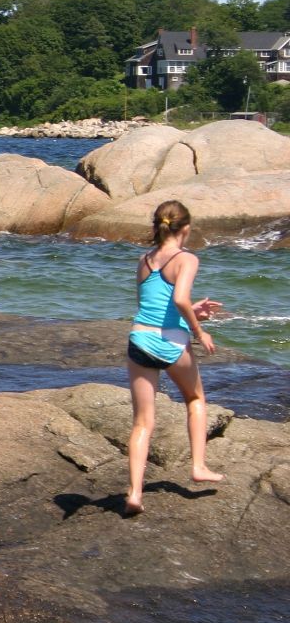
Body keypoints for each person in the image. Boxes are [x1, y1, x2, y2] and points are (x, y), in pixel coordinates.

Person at [125, 199, 225, 515]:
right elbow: (180, 298)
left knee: (142, 422)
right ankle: (198, 466)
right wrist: (199, 330)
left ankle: (134, 493)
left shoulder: (144, 260)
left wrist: (192, 311)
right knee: (195, 399)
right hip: (171, 343)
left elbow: (153, 306)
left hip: (140, 339)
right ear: (186, 228)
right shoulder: (187, 259)